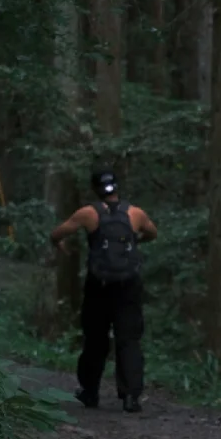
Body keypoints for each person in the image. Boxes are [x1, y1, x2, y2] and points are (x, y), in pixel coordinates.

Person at [50, 168, 158, 413]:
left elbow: (57, 233)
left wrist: (59, 244)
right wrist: (135, 242)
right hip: (128, 285)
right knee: (128, 339)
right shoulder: (135, 213)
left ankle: (90, 392)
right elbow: (153, 232)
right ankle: (131, 396)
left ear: (95, 189)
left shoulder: (88, 213)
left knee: (95, 339)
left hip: (98, 285)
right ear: (117, 187)